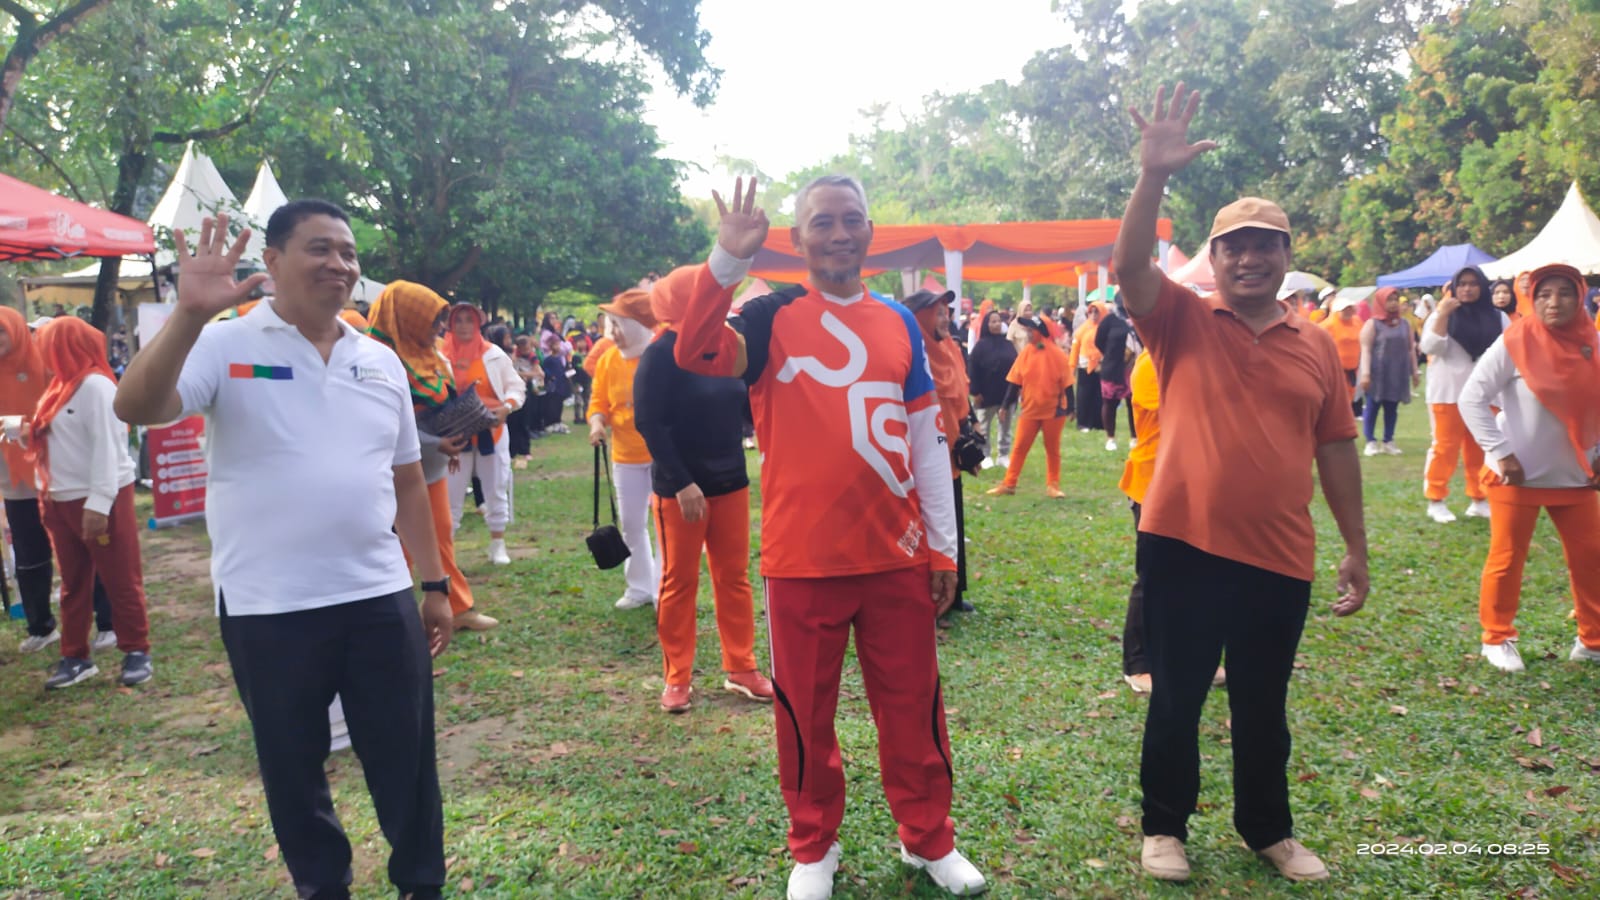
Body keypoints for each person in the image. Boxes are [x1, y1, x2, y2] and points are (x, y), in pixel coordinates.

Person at [114, 204, 453, 900]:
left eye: (348, 252)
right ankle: (322, 886)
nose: (339, 264)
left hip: (378, 596)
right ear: (271, 262)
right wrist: (188, 316)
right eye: (319, 249)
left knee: (407, 760)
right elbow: (136, 408)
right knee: (292, 767)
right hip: (269, 606)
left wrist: (433, 582)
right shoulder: (223, 344)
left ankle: (421, 884)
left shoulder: (379, 360)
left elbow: (406, 480)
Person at [664, 176, 985, 900]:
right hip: (802, 560)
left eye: (851, 220)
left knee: (914, 707)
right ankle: (813, 846)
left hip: (896, 555)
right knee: (804, 716)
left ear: (869, 231)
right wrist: (727, 259)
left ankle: (928, 838)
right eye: (822, 222)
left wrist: (943, 548)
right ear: (798, 238)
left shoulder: (900, 322)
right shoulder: (770, 315)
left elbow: (926, 439)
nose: (839, 234)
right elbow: (693, 350)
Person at [1113, 84, 1368, 884]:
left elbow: (1336, 447)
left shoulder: (1315, 344)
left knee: (1263, 702)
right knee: (1178, 695)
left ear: (1286, 256)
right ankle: (1164, 828)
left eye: (1264, 246)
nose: (1249, 258)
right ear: (1214, 259)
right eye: (1234, 247)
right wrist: (1153, 176)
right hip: (1182, 542)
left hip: (1279, 552)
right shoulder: (1180, 319)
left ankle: (1269, 830)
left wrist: (1356, 547)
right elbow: (1128, 268)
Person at [633, 279, 773, 713]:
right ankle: (677, 677)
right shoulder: (660, 353)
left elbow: (747, 403)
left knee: (734, 577)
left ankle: (742, 668)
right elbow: (649, 423)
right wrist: (681, 482)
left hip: (731, 481)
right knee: (679, 581)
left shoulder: (726, 343)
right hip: (682, 491)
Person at [1459, 263, 1600, 673]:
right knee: (1507, 557)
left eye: (1565, 293)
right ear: (1532, 299)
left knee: (1591, 557)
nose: (1554, 302)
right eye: (1544, 294)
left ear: (1581, 297)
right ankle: (1497, 637)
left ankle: (1592, 640)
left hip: (1576, 475)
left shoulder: (1593, 343)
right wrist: (1501, 452)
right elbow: (1471, 398)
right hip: (1516, 475)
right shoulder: (1513, 341)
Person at [24, 317, 153, 689]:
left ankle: (136, 650)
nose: (40, 352)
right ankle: (75, 656)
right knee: (73, 582)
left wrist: (99, 504)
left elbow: (107, 450)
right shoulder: (60, 385)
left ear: (66, 346)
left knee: (120, 577)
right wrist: (23, 430)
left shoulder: (96, 387)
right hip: (59, 497)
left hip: (98, 498)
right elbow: (57, 436)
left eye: (46, 344)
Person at [367, 282, 497, 632]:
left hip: (432, 464)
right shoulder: (375, 359)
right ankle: (397, 615)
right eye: (433, 320)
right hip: (392, 470)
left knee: (439, 534)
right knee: (398, 543)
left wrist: (449, 437)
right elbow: (386, 424)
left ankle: (457, 607)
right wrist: (434, 442)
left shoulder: (430, 355)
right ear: (409, 318)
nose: (439, 329)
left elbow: (440, 403)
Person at [587, 290, 660, 611]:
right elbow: (598, 401)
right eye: (612, 325)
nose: (613, 333)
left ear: (638, 326)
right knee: (631, 524)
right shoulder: (607, 359)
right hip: (625, 456)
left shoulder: (660, 356)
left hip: (662, 456)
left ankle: (663, 588)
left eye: (620, 325)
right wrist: (597, 423)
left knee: (665, 526)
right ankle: (639, 586)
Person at [906, 289, 977, 614]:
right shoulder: (911, 353)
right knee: (925, 525)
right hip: (922, 456)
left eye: (946, 312)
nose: (945, 318)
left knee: (952, 520)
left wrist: (968, 431)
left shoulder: (950, 349)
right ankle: (928, 597)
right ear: (920, 317)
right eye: (937, 312)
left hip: (951, 452)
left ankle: (955, 592)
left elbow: (961, 392)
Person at [1420, 266, 1506, 523]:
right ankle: (1436, 499)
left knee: (1482, 448)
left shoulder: (1498, 317)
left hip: (1486, 394)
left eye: (1473, 283)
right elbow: (1430, 347)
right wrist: (1443, 315)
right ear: (1454, 288)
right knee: (1445, 447)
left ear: (1482, 287)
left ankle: (1479, 499)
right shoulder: (1441, 314)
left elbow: (1508, 349)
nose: (1467, 289)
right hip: (1449, 393)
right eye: (1462, 284)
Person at [442, 304, 525, 565]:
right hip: (455, 435)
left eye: (469, 320)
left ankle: (498, 543)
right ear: (450, 324)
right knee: (450, 494)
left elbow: (515, 387)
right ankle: (446, 551)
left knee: (496, 487)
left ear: (478, 324)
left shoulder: (493, 355)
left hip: (492, 430)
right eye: (458, 320)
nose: (464, 326)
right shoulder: (440, 355)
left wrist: (507, 406)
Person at [986, 317, 1071, 499]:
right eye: (1027, 330)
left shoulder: (1057, 355)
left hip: (1053, 411)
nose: (1028, 333)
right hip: (1030, 409)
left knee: (1052, 449)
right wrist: (1005, 405)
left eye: (1031, 330)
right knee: (1019, 447)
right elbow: (1015, 381)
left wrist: (1072, 408)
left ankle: (1053, 485)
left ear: (1041, 331)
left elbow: (1068, 384)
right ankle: (1009, 483)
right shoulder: (1026, 353)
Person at [1357, 288, 1419, 456]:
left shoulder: (1404, 324)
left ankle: (1388, 440)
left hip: (1397, 372)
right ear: (1380, 302)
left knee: (1392, 407)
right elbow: (1366, 350)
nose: (1393, 303)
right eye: (1389, 300)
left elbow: (1410, 349)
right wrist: (1366, 373)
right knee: (1372, 406)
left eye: (1395, 299)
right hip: (1377, 373)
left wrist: (1414, 371)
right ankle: (1370, 441)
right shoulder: (1372, 324)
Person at [965, 310, 1015, 469]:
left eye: (999, 321)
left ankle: (1003, 455)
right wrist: (975, 391)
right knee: (983, 426)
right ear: (986, 325)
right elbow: (972, 369)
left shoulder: (1008, 344)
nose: (997, 324)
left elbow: (1016, 367)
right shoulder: (980, 346)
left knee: (1005, 426)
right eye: (993, 321)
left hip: (1006, 394)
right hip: (985, 394)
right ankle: (984, 455)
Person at [1094, 297, 1137, 451]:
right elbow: (1098, 341)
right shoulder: (1109, 320)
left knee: (1134, 403)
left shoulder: (1138, 319)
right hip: (1112, 367)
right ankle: (1110, 438)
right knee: (1109, 403)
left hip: (1133, 367)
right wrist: (1110, 353)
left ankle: (1134, 437)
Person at [1321, 296, 1364, 418]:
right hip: (1334, 372)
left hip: (1353, 370)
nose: (1348, 311)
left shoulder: (1357, 322)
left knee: (1349, 400)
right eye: (1344, 309)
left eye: (1350, 308)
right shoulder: (1327, 326)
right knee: (1335, 401)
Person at [1069, 302, 1105, 432]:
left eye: (1096, 312)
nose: (1094, 315)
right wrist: (1072, 367)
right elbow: (1075, 349)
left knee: (1099, 396)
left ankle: (1099, 423)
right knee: (1084, 396)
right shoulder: (1082, 330)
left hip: (1101, 366)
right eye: (1091, 312)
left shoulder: (1104, 328)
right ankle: (1083, 423)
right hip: (1085, 366)